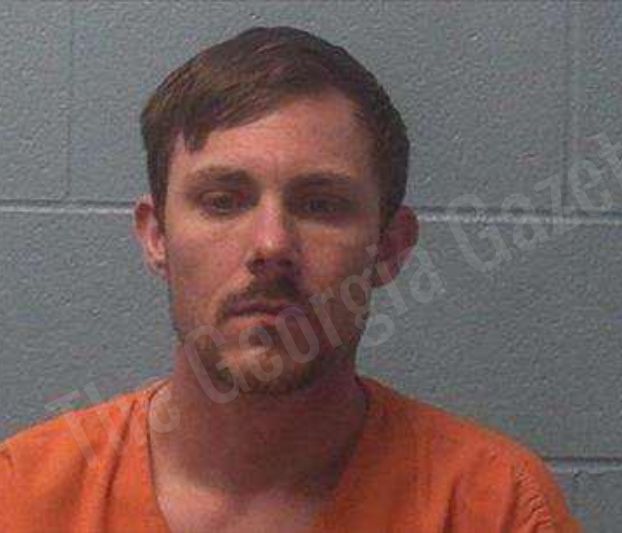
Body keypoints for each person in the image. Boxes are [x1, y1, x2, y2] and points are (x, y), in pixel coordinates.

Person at [0, 26, 580, 532]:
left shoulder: (495, 507)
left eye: (320, 205)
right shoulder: (21, 497)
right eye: (223, 201)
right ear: (157, 237)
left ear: (391, 247)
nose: (272, 245)